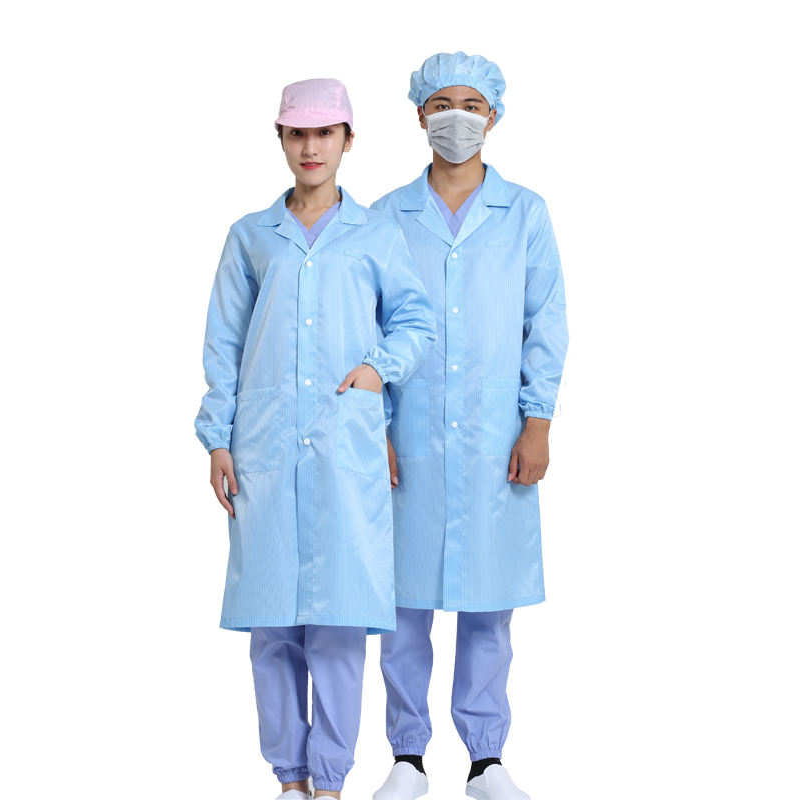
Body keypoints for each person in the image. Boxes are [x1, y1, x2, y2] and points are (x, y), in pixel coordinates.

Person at [195, 78, 436, 800]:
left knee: (336, 625)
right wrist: (217, 439)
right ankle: (290, 780)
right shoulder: (250, 236)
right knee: (272, 628)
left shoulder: (376, 234)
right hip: (264, 449)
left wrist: (376, 371)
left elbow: (415, 322)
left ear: (347, 141)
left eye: (324, 133)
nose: (310, 147)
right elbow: (224, 344)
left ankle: (329, 782)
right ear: (280, 138)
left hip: (343, 446)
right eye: (297, 133)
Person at [370, 53, 569, 800]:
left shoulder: (526, 214)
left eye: (472, 104)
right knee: (401, 605)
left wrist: (537, 422)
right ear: (419, 114)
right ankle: (407, 759)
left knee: (489, 603)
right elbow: (366, 329)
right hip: (407, 435)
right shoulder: (385, 217)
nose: (457, 116)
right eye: (442, 103)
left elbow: (545, 323)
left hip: (496, 437)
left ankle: (486, 761)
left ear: (495, 116)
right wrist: (375, 428)